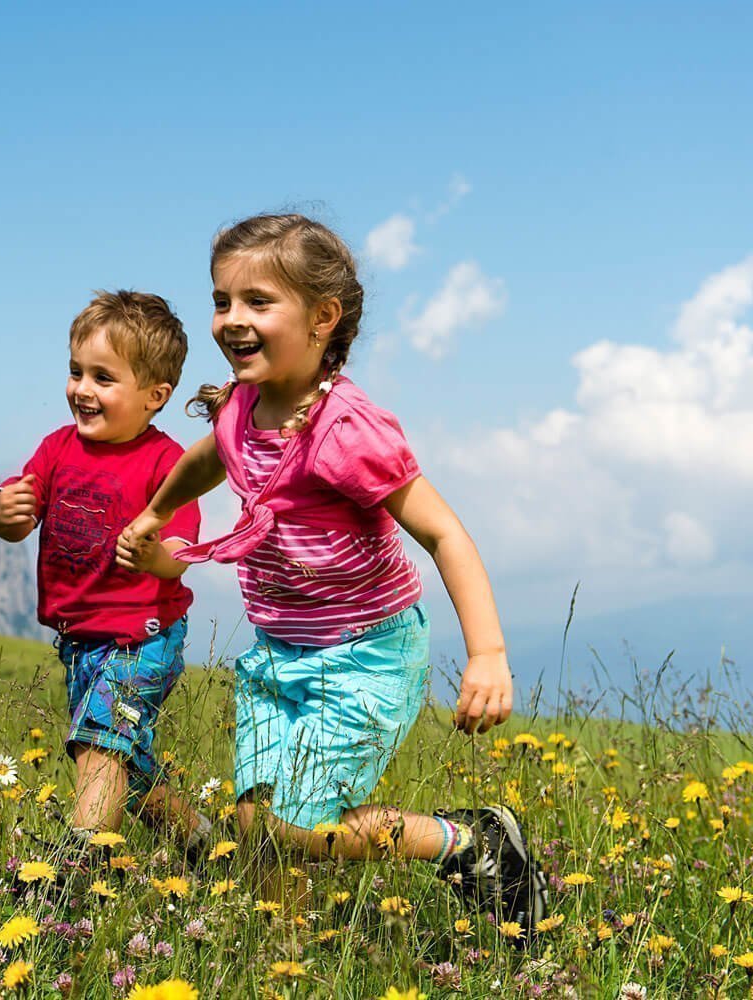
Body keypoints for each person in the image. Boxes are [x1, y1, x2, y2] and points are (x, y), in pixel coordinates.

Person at [115, 213, 545, 941]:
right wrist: (158, 509)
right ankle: (289, 955)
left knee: (292, 826)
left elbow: (443, 533)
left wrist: (488, 654)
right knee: (258, 826)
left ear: (322, 318)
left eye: (258, 301)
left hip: (364, 654)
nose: (231, 320)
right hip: (282, 650)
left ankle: (469, 843)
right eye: (222, 301)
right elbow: (209, 454)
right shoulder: (244, 404)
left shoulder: (347, 432)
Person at [0, 290, 213, 855]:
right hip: (80, 642)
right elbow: (19, 515)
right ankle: (206, 844)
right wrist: (5, 515)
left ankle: (75, 870)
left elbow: (182, 551)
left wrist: (152, 555)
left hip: (141, 637)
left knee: (99, 745)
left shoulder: (168, 464)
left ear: (154, 396)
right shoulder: (57, 447)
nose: (82, 390)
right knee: (128, 769)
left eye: (103, 378)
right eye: (76, 372)